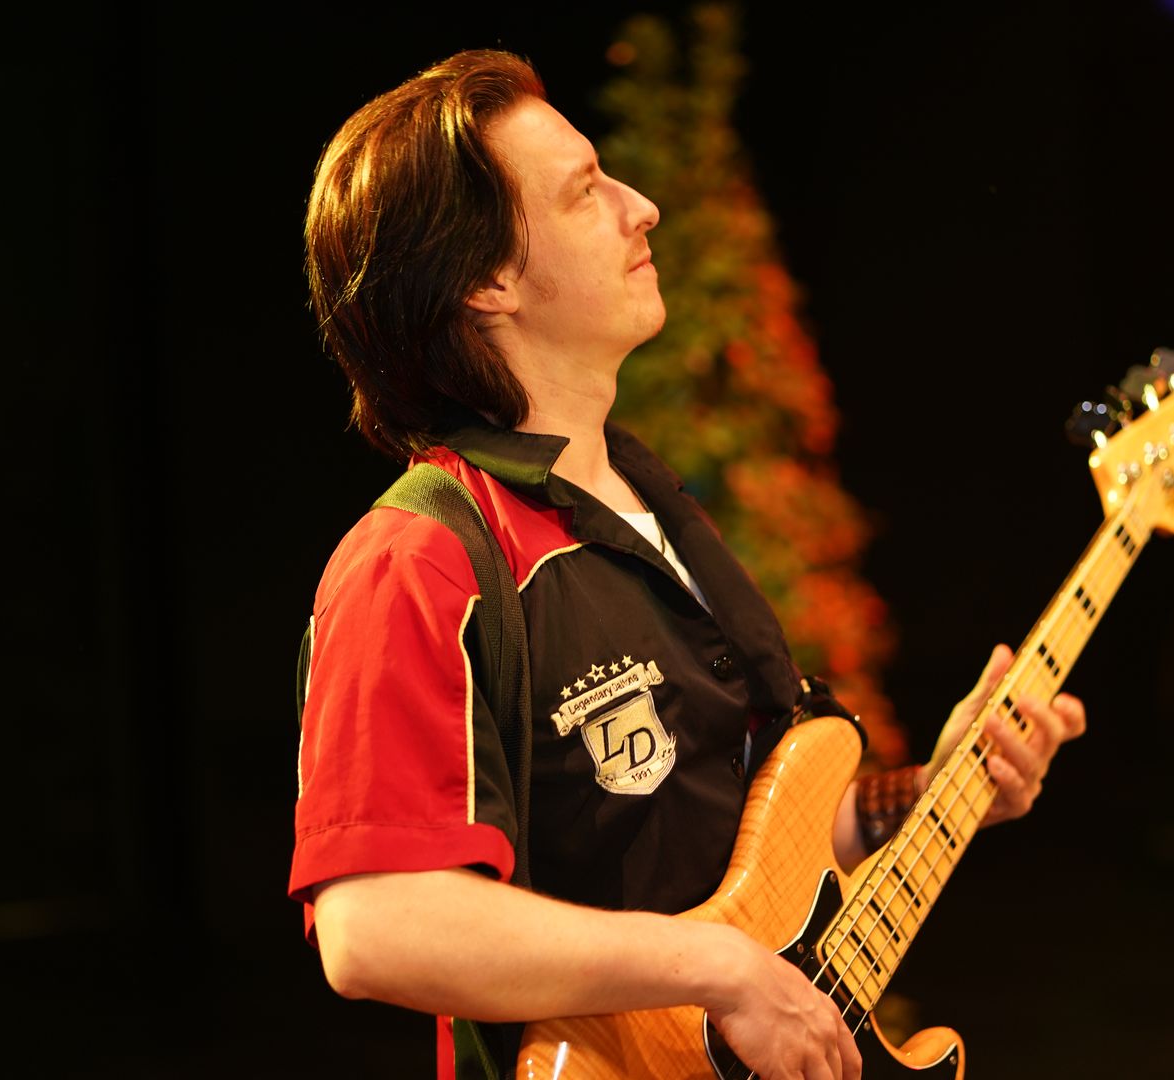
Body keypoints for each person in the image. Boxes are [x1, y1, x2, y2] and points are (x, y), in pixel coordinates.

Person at [289, 49, 1086, 1080]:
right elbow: (375, 925)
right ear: (489, 281)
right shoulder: (417, 559)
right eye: (586, 191)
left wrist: (943, 788)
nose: (643, 207)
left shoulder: (653, 502)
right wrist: (718, 969)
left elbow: (747, 852)